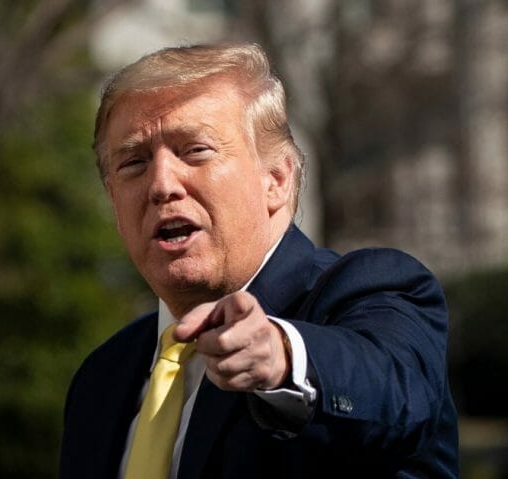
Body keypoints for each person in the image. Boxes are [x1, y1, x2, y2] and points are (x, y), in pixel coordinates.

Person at [59, 43, 458, 478]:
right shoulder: (102, 378)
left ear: (277, 180)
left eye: (195, 150)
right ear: (113, 203)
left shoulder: (372, 292)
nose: (161, 184)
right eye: (133, 163)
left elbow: (397, 393)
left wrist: (280, 358)